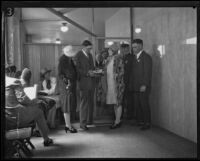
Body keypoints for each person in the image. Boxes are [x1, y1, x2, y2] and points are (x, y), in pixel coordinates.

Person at [5, 70, 53, 146]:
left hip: (6, 117)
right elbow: (23, 99)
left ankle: (38, 132)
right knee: (39, 111)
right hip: (15, 116)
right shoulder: (14, 81)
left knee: (34, 108)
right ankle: (46, 139)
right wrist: (37, 101)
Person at [128, 39, 152, 130]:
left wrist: (144, 85)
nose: (133, 49)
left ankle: (147, 123)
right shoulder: (134, 57)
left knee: (144, 104)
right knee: (137, 105)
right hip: (135, 86)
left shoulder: (146, 57)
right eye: (133, 47)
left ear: (141, 46)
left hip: (143, 86)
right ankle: (140, 121)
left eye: (135, 47)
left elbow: (147, 72)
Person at [75, 40, 95, 130]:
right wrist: (87, 73)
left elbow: (92, 67)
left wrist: (94, 71)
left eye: (90, 49)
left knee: (90, 102)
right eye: (88, 49)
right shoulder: (78, 55)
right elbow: (77, 69)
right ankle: (83, 124)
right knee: (84, 103)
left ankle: (89, 120)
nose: (89, 50)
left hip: (91, 82)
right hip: (83, 83)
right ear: (83, 47)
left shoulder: (90, 55)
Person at [58, 45, 78, 133]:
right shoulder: (63, 61)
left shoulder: (68, 59)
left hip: (69, 85)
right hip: (66, 85)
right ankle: (68, 126)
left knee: (69, 105)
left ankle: (68, 124)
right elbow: (62, 74)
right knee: (67, 105)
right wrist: (67, 82)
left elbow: (73, 72)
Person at [105, 43, 125, 129]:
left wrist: (117, 75)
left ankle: (117, 122)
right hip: (110, 83)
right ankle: (117, 120)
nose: (108, 51)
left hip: (117, 84)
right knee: (114, 102)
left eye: (110, 50)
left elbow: (122, 71)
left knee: (118, 102)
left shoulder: (118, 58)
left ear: (114, 50)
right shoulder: (110, 59)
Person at [120, 43, 134, 120]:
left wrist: (130, 83)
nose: (122, 50)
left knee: (129, 101)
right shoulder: (121, 57)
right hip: (121, 83)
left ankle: (130, 116)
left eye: (123, 49)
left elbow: (132, 72)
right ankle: (120, 115)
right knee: (121, 100)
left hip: (128, 83)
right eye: (121, 49)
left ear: (126, 49)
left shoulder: (131, 57)